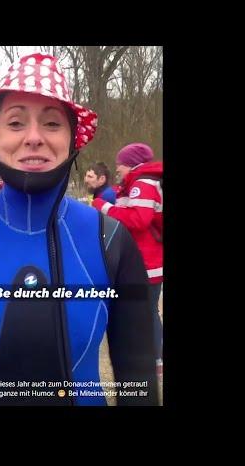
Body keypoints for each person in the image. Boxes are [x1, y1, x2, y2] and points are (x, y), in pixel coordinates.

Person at [0, 52, 158, 406]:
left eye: (52, 124)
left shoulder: (111, 240)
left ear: (73, 139)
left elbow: (139, 377)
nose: (34, 137)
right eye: (16, 122)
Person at [91, 142, 163, 360]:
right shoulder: (134, 183)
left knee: (147, 312)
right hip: (143, 259)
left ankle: (155, 357)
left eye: (120, 164)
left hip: (147, 262)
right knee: (144, 311)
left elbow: (139, 220)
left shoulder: (143, 183)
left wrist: (103, 207)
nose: (118, 169)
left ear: (131, 164)